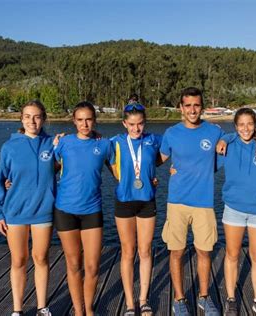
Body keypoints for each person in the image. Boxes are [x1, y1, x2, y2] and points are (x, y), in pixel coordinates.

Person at [160, 87, 223, 316]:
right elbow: (157, 158)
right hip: (176, 202)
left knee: (204, 252)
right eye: (188, 105)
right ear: (181, 108)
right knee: (176, 252)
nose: (192, 110)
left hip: (204, 203)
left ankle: (204, 297)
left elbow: (235, 138)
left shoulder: (215, 132)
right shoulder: (171, 133)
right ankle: (179, 299)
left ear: (202, 107)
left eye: (196, 105)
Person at [0, 100, 54, 316]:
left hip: (43, 210)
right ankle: (17, 309)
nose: (32, 121)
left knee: (41, 258)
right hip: (15, 212)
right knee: (18, 260)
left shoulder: (51, 144)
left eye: (36, 116)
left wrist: (97, 136)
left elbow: (74, 149)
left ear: (43, 119)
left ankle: (42, 306)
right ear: (21, 119)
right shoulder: (9, 147)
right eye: (27, 116)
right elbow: (1, 181)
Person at [53, 101, 113, 316]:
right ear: (74, 121)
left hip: (92, 210)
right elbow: (49, 167)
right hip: (65, 210)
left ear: (94, 121)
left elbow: (119, 172)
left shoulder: (105, 144)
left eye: (88, 119)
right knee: (73, 264)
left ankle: (89, 309)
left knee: (93, 266)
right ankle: (78, 310)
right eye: (80, 120)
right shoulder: (64, 143)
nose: (84, 124)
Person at [217, 108, 256, 316]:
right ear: (235, 127)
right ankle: (231, 298)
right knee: (232, 255)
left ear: (255, 125)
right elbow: (205, 161)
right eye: (241, 124)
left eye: (249, 124)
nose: (245, 128)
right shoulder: (229, 145)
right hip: (233, 208)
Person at [110, 103, 162, 316]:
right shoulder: (115, 142)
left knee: (145, 250)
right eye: (131, 124)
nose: (136, 128)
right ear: (124, 124)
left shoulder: (153, 140)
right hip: (124, 201)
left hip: (147, 201)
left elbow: (173, 148)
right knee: (128, 252)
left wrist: (162, 171)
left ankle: (144, 299)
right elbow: (97, 152)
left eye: (140, 123)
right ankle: (130, 303)